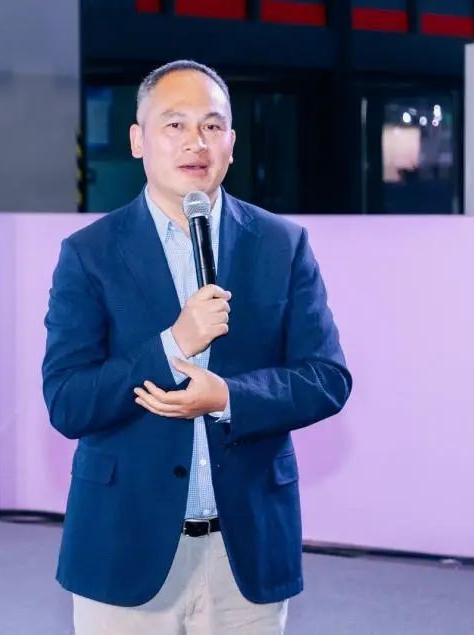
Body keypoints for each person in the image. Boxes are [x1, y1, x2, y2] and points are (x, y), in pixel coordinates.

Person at [41, 60, 352, 635]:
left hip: (245, 551)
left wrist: (228, 397)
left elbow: (326, 378)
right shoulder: (89, 253)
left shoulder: (281, 244)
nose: (196, 142)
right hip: (124, 547)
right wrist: (173, 344)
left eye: (212, 126)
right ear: (137, 140)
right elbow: (68, 401)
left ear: (232, 142)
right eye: (175, 124)